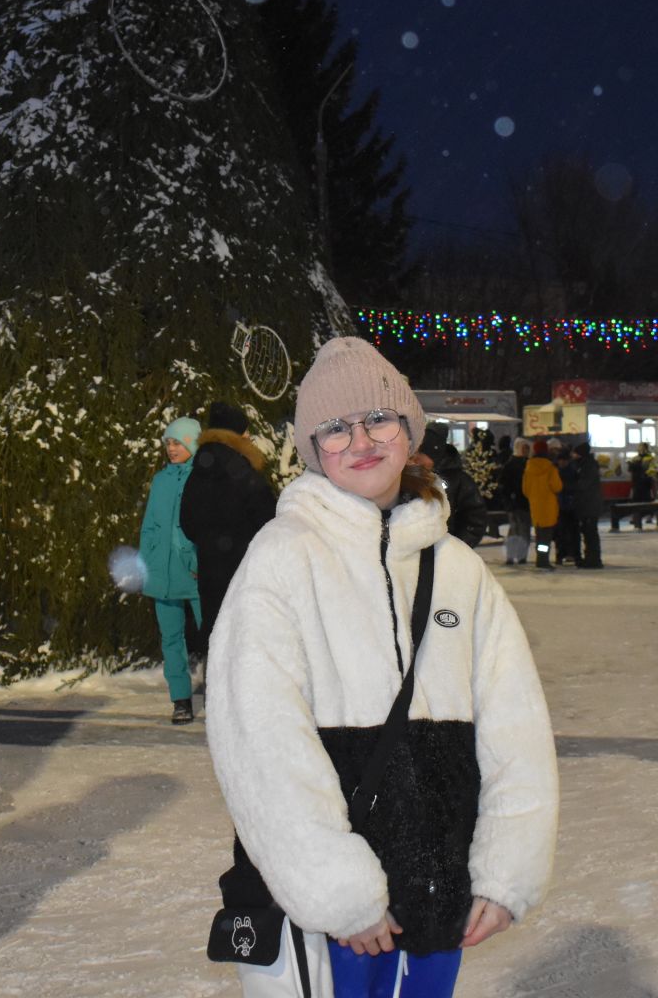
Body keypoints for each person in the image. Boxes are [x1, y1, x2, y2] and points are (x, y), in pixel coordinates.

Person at [206, 337, 558, 998]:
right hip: (326, 922)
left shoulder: (458, 570)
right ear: (312, 447)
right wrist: (337, 889)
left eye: (378, 418)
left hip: (434, 902)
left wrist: (507, 869)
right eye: (334, 428)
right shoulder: (282, 560)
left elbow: (518, 729)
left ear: (408, 428)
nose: (360, 439)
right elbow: (258, 738)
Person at [181, 402, 277, 657]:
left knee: (216, 631)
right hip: (244, 567)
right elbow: (268, 519)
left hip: (210, 567)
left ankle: (215, 691)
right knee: (245, 637)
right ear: (237, 433)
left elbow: (187, 522)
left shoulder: (197, 472)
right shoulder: (241, 470)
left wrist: (210, 541)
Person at [141, 417, 205, 725]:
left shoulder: (204, 479)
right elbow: (150, 526)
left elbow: (208, 527)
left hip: (195, 574)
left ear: (192, 442)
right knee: (171, 638)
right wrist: (146, 561)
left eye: (177, 442)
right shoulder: (161, 480)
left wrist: (199, 562)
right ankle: (181, 700)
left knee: (213, 636)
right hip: (162, 572)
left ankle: (222, 695)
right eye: (168, 443)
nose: (171, 449)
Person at [421, 431, 489, 550]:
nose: (415, 458)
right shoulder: (411, 478)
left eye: (420, 453)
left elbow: (475, 517)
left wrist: (457, 547)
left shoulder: (459, 481)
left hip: (447, 553)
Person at [521, 436, 563, 571]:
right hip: (549, 507)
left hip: (535, 507)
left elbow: (525, 490)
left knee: (539, 536)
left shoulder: (528, 468)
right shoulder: (550, 467)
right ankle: (543, 560)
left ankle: (540, 557)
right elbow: (557, 487)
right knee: (546, 536)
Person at [567, 442, 604, 568]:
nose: (573, 455)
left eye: (575, 452)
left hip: (589, 505)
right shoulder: (585, 464)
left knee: (590, 533)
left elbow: (583, 485)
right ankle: (591, 558)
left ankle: (593, 559)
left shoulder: (587, 466)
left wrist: (570, 486)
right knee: (588, 532)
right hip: (587, 504)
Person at [496, 438, 532, 565]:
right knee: (517, 530)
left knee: (520, 530)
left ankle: (520, 556)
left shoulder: (526, 463)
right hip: (516, 502)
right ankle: (513, 556)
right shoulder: (512, 464)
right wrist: (509, 499)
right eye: (524, 448)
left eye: (527, 448)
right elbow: (503, 485)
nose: (526, 450)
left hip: (523, 503)